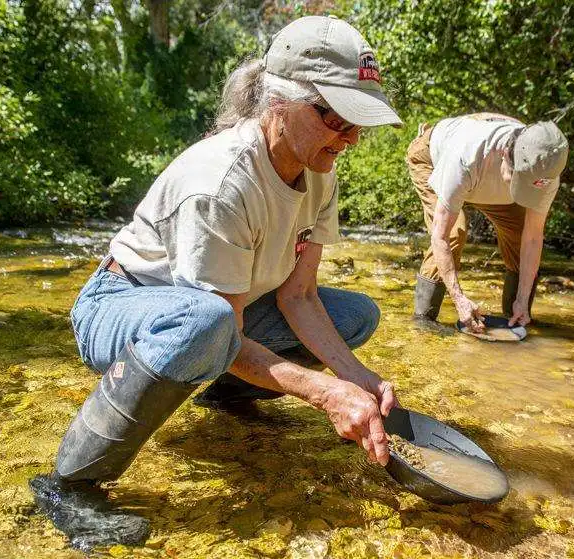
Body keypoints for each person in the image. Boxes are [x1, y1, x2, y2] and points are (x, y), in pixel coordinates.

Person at [29, 15, 402, 551]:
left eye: (357, 122)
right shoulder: (220, 183)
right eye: (336, 117)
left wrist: (358, 379)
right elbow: (220, 329)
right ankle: (69, 486)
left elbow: (298, 296)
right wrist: (324, 392)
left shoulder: (320, 166)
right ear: (280, 103)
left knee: (355, 316)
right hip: (122, 304)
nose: (351, 138)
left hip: (222, 313)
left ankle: (225, 398)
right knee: (207, 325)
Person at [406, 112, 569, 331]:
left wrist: (522, 298)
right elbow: (440, 236)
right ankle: (423, 323)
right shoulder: (466, 155)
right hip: (433, 160)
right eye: (517, 181)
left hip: (482, 181)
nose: (520, 190)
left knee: (520, 235)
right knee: (455, 232)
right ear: (504, 154)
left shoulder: (546, 168)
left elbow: (532, 238)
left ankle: (516, 315)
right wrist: (459, 300)